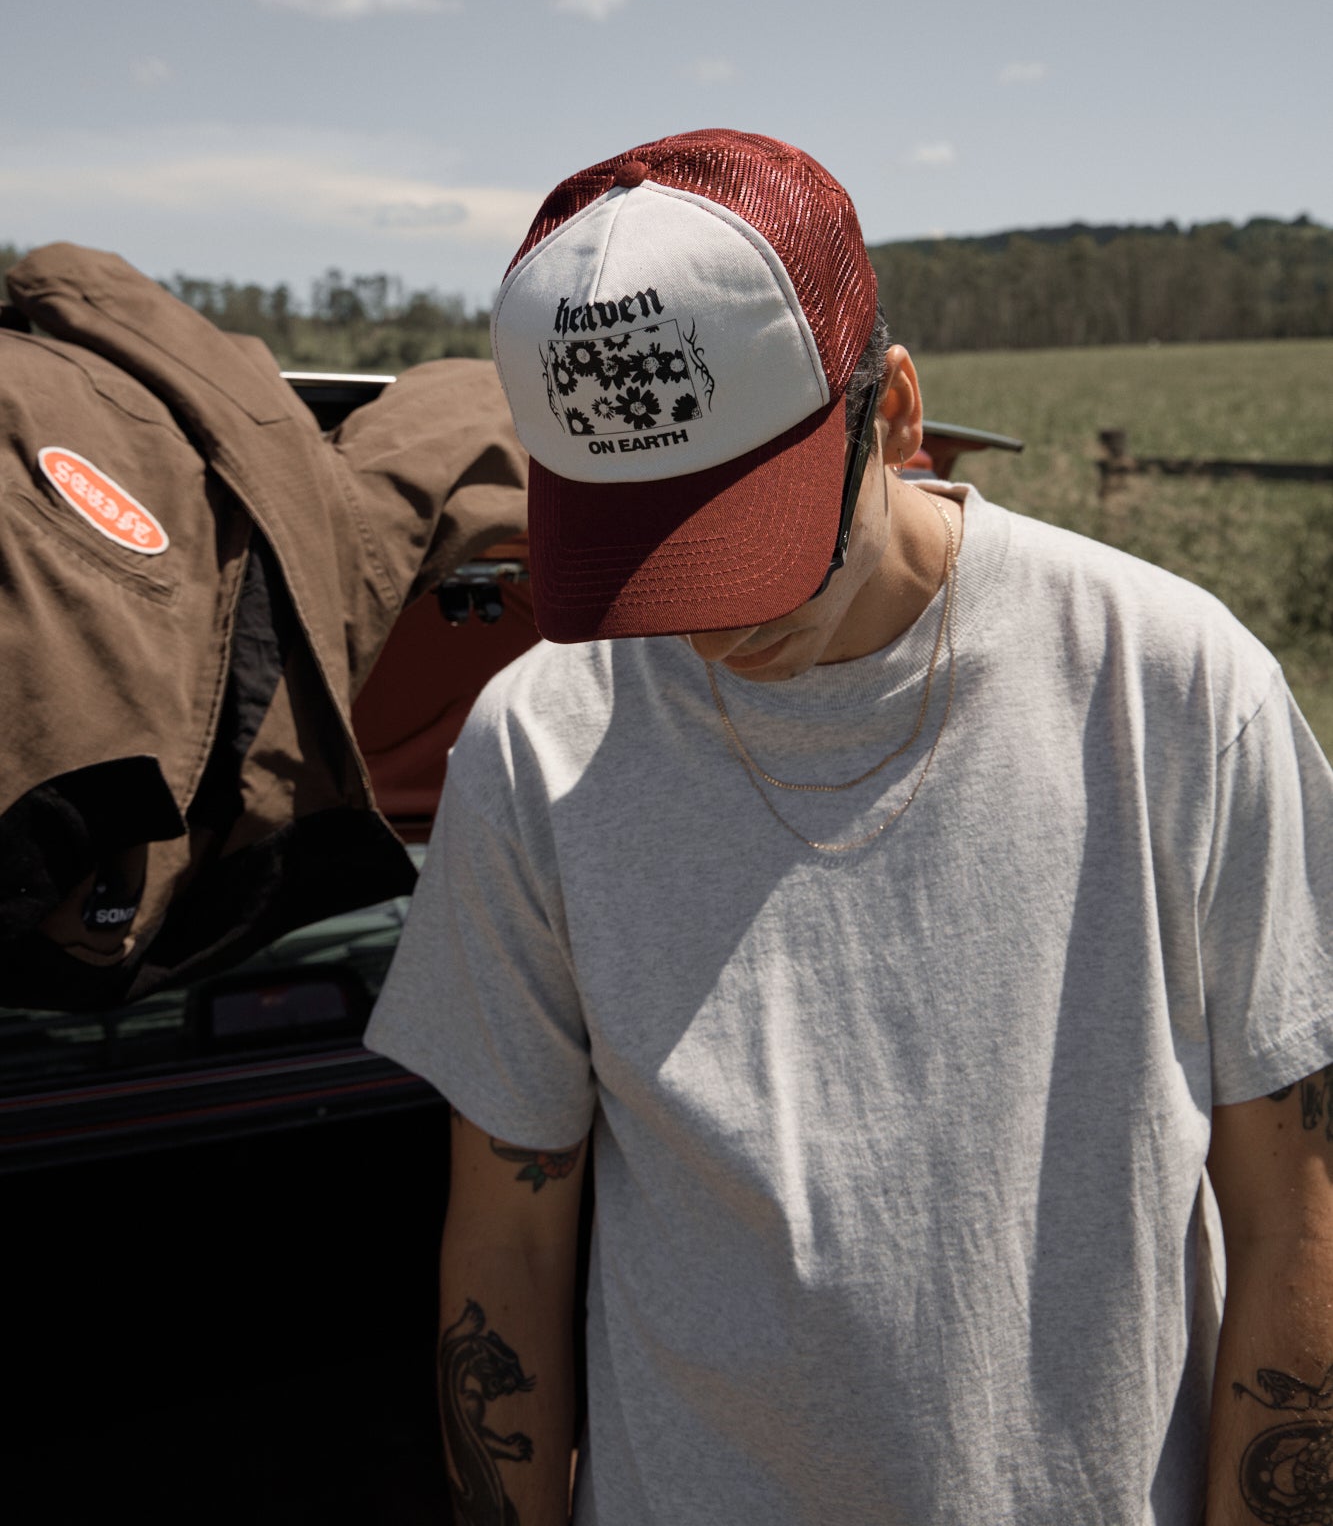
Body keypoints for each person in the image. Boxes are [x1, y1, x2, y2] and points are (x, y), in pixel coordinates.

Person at [366, 128, 1333, 1525]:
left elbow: (1292, 1213)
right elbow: (506, 1240)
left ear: (888, 416)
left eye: (731, 547)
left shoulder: (1172, 688)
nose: (693, 618)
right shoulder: (539, 741)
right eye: (631, 553)